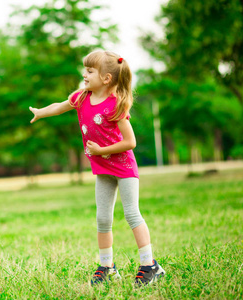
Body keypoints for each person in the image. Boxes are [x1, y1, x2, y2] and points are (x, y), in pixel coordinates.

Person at [29, 50, 165, 287]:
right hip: (103, 169)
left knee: (132, 214)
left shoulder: (116, 105)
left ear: (106, 79)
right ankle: (107, 267)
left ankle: (149, 265)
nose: (84, 74)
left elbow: (130, 142)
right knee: (102, 219)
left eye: (90, 71)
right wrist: (41, 112)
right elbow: (60, 106)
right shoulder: (81, 97)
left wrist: (102, 151)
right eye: (85, 69)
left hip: (123, 168)